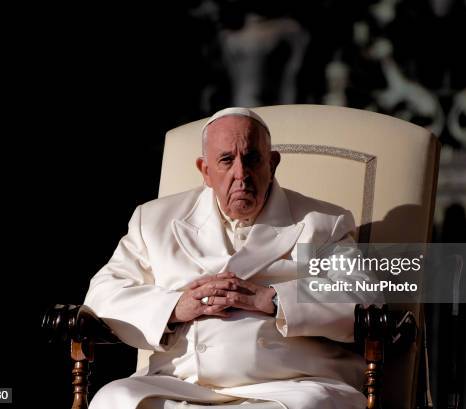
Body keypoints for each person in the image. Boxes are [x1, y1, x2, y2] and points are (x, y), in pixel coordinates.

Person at [84, 107, 376, 409]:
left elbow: (365, 297)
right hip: (181, 384)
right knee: (113, 399)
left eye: (252, 159)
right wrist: (176, 307)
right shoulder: (154, 221)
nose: (241, 174)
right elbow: (102, 296)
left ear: (272, 164)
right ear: (205, 171)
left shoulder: (322, 222)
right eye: (226, 160)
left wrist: (274, 300)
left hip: (291, 384)